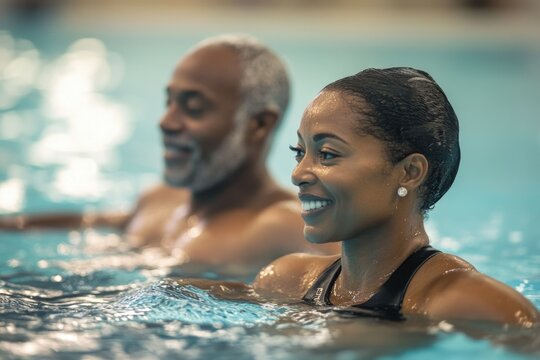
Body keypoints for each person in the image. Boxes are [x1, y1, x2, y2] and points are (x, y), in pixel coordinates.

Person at [0, 35, 338, 271]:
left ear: (259, 125)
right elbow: (89, 222)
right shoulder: (158, 200)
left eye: (193, 108)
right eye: (169, 102)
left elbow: (354, 297)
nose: (165, 122)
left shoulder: (286, 226)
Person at [252, 67, 539, 326]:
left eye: (327, 154)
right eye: (299, 153)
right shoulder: (286, 281)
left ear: (410, 172)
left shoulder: (469, 305)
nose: (298, 174)